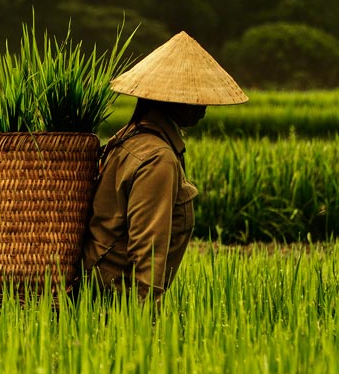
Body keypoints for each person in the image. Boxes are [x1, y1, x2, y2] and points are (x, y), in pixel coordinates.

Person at [80, 31, 248, 300]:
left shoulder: (127, 138)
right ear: (169, 100)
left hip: (95, 290)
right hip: (113, 299)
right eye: (193, 98)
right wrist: (145, 325)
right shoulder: (158, 159)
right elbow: (148, 252)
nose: (202, 106)